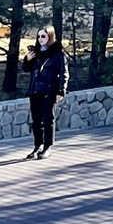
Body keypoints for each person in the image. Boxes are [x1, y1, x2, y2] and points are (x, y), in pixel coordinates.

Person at [25, 27, 69, 158]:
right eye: (39, 36)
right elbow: (26, 69)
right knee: (36, 120)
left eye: (43, 36)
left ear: (50, 36)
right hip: (35, 90)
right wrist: (27, 59)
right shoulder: (35, 52)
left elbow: (64, 73)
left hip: (49, 90)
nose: (40, 39)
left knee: (48, 119)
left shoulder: (58, 54)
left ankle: (47, 147)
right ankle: (37, 146)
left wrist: (61, 91)